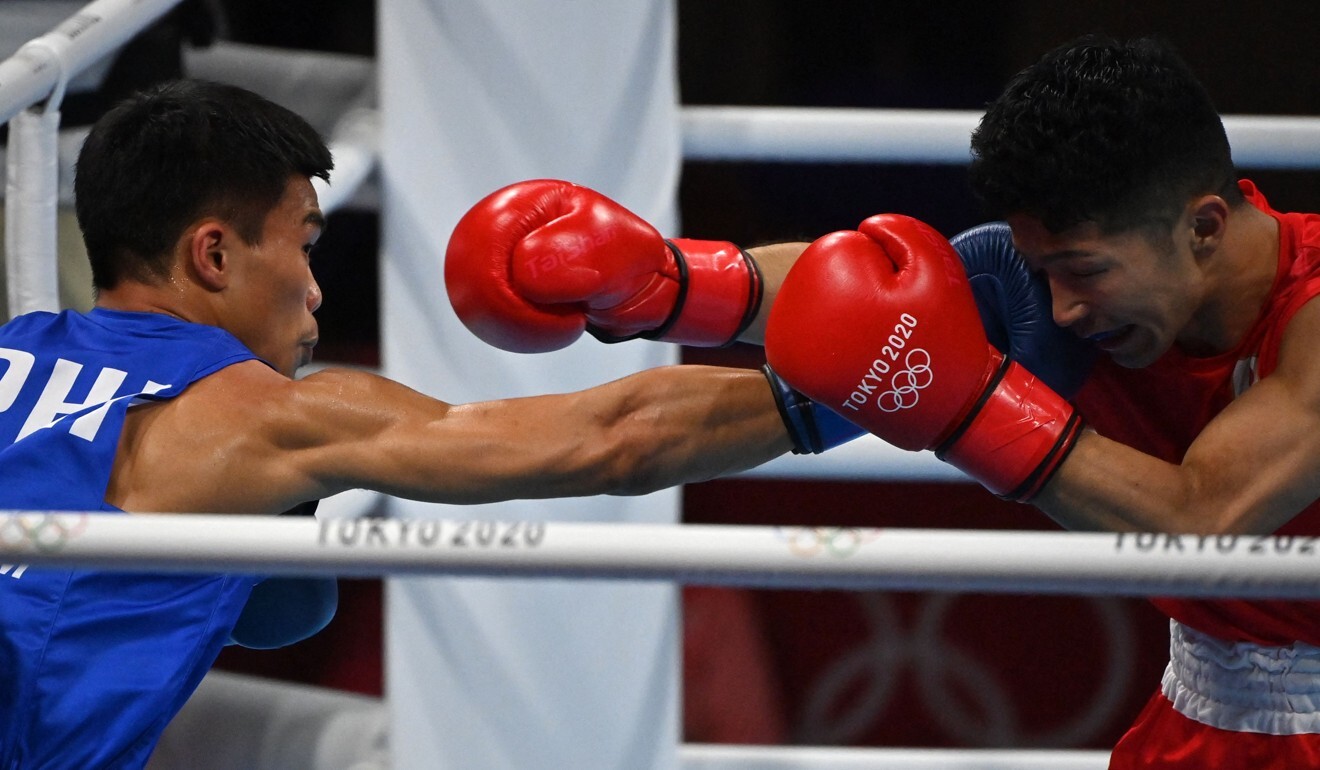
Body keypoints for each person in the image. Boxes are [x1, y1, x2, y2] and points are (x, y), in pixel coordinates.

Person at [444, 36, 1320, 769]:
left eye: (1083, 272)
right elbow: (859, 293)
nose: (1060, 312)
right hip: (1202, 718)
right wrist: (672, 284)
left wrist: (972, 406)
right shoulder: (1089, 299)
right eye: (1044, 271)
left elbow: (1206, 516)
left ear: (1204, 227)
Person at [0, 79, 807, 769]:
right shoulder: (256, 416)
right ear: (213, 256)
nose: (316, 292)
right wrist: (861, 383)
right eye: (305, 249)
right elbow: (614, 439)